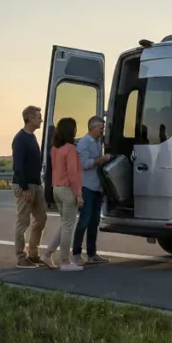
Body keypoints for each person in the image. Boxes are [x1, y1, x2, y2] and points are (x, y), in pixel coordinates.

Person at [43, 118, 84, 271]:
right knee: (68, 226)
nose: (76, 130)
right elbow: (73, 173)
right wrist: (78, 194)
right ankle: (65, 261)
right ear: (70, 130)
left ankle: (47, 254)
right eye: (75, 127)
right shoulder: (70, 149)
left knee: (64, 223)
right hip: (67, 190)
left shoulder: (55, 148)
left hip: (56, 189)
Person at [12, 105, 48, 268]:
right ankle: (21, 256)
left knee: (41, 218)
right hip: (25, 185)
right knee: (23, 221)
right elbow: (17, 167)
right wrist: (25, 188)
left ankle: (33, 254)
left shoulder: (32, 137)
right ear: (30, 118)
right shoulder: (20, 139)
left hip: (36, 184)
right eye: (38, 116)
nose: (41, 119)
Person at [72, 116, 111, 265]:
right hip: (87, 186)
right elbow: (84, 164)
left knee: (94, 222)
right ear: (93, 127)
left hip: (97, 187)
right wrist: (101, 159)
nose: (103, 130)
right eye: (101, 128)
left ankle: (91, 253)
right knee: (84, 220)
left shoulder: (97, 142)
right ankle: (76, 253)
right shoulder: (83, 143)